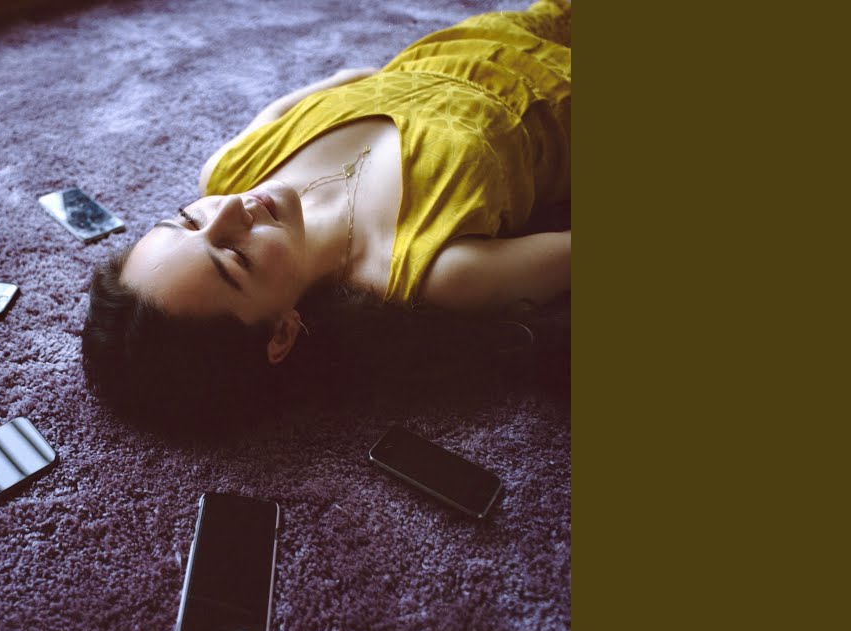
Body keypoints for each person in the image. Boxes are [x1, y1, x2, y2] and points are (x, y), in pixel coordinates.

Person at [83, 0, 571, 431]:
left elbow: (339, 83)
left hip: (493, 29)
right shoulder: (436, 269)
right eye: (234, 256)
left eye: (188, 220)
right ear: (282, 332)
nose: (230, 207)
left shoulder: (230, 168)